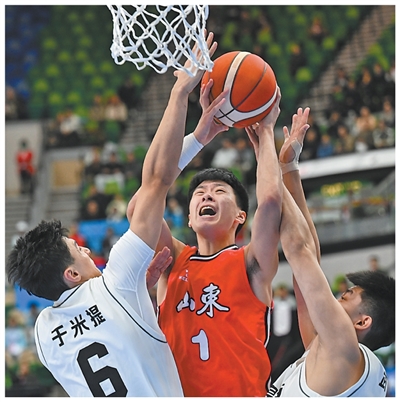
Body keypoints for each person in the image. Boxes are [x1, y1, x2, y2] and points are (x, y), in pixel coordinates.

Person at [6, 32, 226, 397]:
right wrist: (180, 96)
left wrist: (136, 289)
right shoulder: (115, 282)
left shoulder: (43, 333)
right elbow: (154, 182)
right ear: (71, 274)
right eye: (78, 250)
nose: (86, 250)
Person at [150, 89, 284, 396]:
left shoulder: (250, 263)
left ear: (240, 216)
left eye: (219, 192)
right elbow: (142, 203)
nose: (207, 195)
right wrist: (197, 138)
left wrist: (266, 133)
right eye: (200, 193)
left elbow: (270, 203)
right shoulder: (172, 260)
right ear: (189, 218)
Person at [266, 107, 394, 397]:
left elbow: (299, 250)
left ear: (362, 322)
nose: (335, 299)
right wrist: (288, 168)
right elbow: (307, 258)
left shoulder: (344, 349)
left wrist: (264, 142)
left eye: (345, 297)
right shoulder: (330, 354)